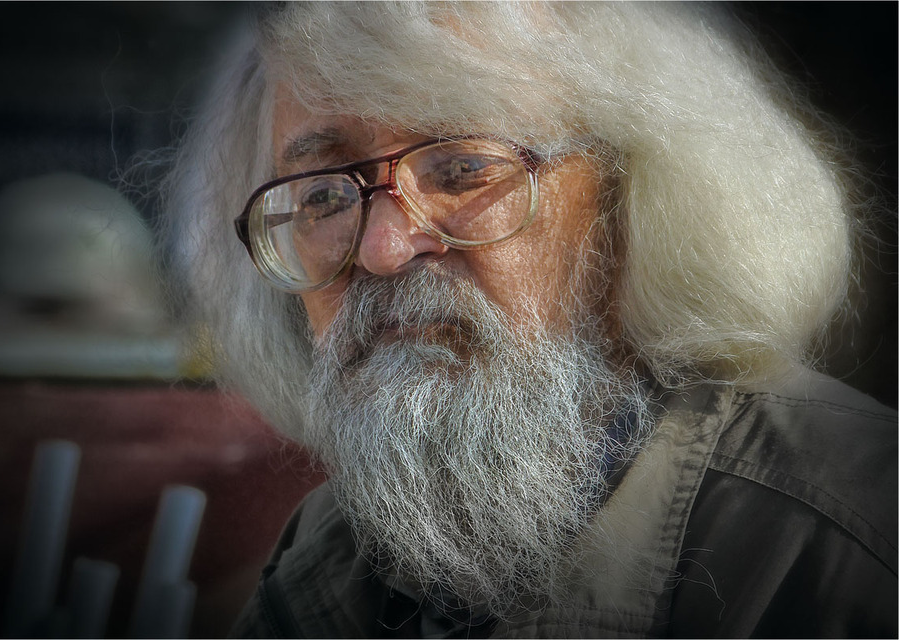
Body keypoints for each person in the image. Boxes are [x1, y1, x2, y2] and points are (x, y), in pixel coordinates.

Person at [160, 3, 897, 637]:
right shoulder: (330, 554)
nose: (383, 248)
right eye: (322, 197)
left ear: (631, 200)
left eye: (461, 170)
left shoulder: (848, 541)